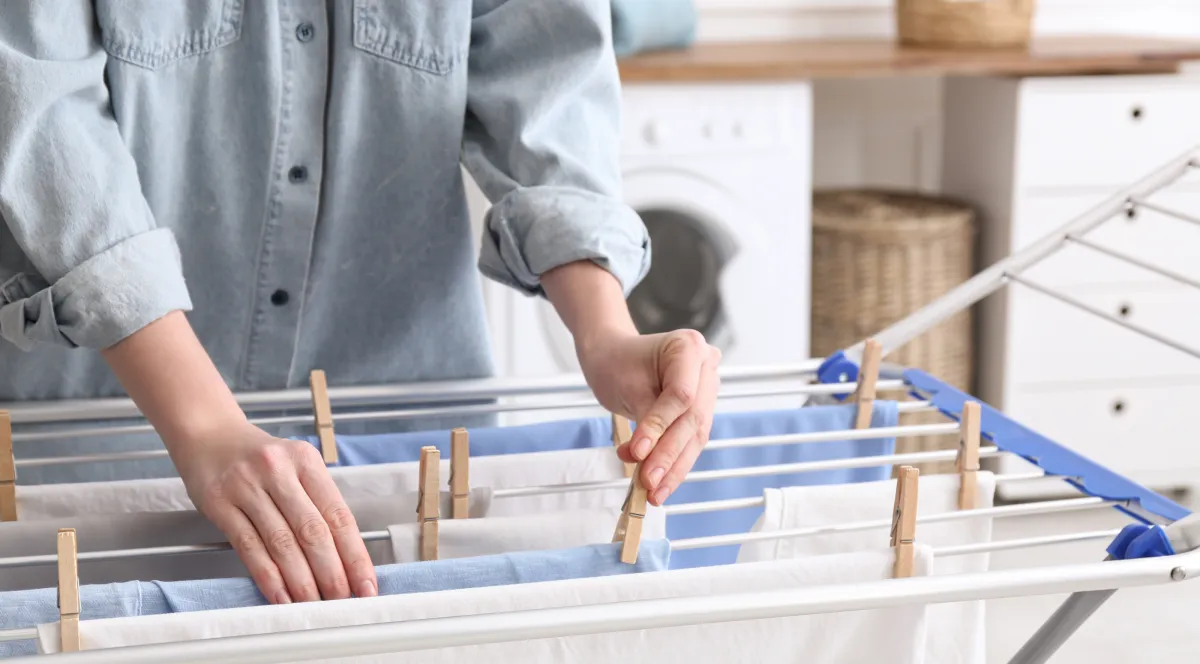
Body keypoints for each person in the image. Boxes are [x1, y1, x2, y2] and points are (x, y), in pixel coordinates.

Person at [0, 1, 721, 605]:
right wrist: (204, 424)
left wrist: (605, 332)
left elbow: (545, 68)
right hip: (100, 448)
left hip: (407, 445)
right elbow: (39, 111)